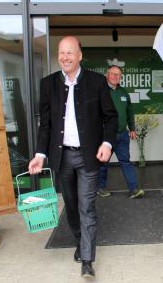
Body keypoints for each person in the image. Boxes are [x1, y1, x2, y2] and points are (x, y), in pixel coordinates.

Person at [28, 36, 118, 279]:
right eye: (61, 53)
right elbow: (45, 124)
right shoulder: (48, 85)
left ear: (80, 56)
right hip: (62, 157)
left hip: (88, 156)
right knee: (70, 206)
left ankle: (87, 260)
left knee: (86, 206)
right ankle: (81, 241)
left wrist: (107, 143)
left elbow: (111, 117)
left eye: (70, 53)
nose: (65, 57)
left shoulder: (97, 82)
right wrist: (40, 154)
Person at [97, 65, 144, 199]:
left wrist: (132, 128)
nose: (116, 77)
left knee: (126, 161)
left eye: (118, 75)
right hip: (106, 135)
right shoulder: (101, 91)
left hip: (122, 134)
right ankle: (100, 187)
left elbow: (130, 111)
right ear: (107, 74)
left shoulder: (123, 93)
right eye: (113, 74)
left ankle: (134, 189)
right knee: (103, 163)